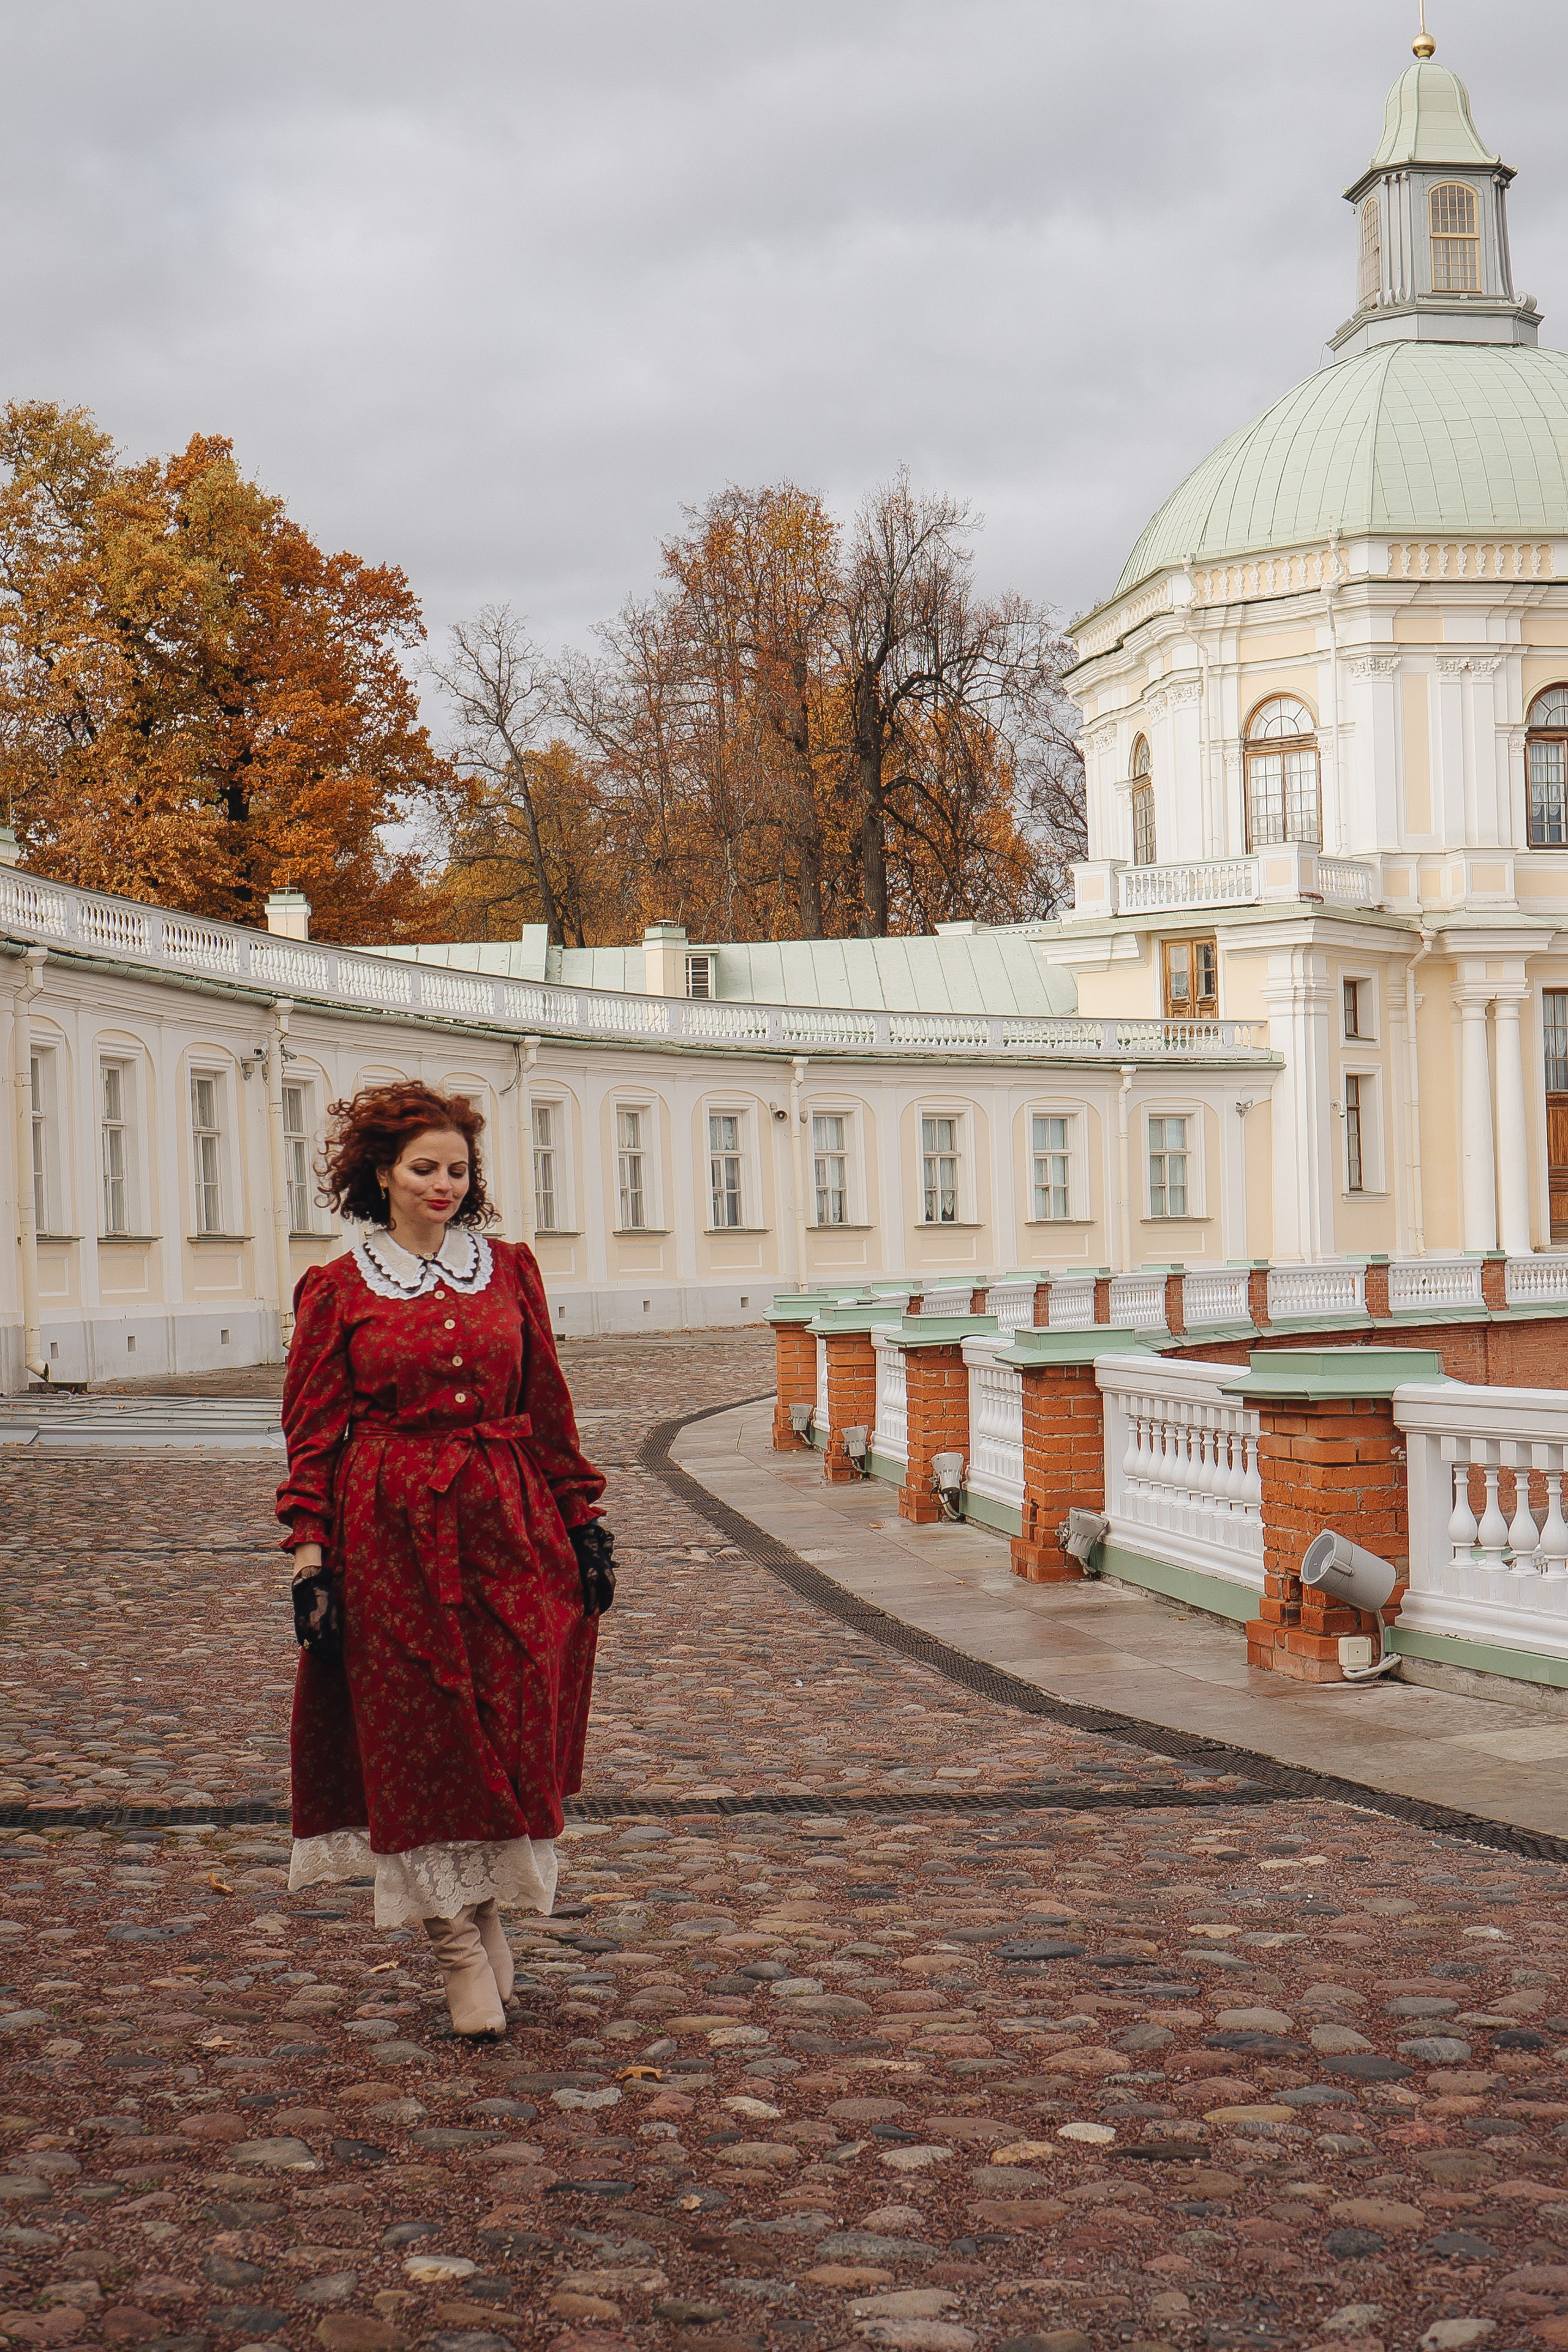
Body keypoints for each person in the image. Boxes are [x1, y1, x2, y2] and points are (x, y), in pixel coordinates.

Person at [275, 1080, 614, 2037]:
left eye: (458, 1170)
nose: (444, 1184)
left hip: (511, 1528)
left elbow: (548, 1400)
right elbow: (312, 1433)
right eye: (425, 1168)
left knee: (510, 1727)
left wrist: (582, 1521)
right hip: (389, 1536)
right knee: (418, 1740)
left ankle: (490, 1907)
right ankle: (456, 1946)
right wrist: (311, 1559)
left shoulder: (510, 1270)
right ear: (379, 1174)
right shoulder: (338, 1290)